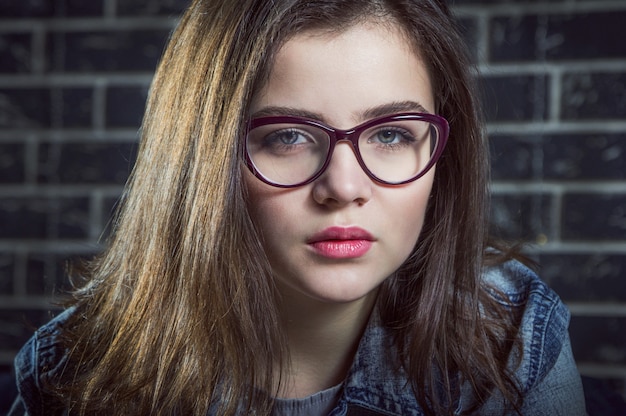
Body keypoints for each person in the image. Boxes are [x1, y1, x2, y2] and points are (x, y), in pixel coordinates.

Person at [9, 0, 587, 415]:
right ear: (204, 161)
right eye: (287, 136)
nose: (343, 187)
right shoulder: (76, 374)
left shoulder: (511, 339)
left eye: (390, 135)